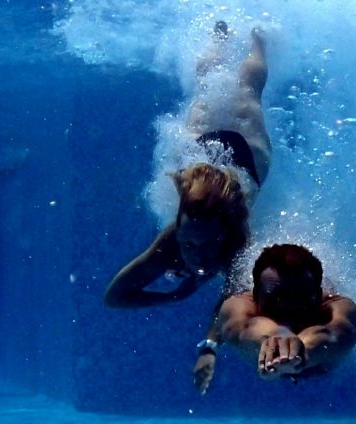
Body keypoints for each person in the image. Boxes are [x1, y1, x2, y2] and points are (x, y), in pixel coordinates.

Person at [104, 22, 270, 308]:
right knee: (226, 89)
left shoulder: (238, 245)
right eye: (189, 244)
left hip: (243, 154)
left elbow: (230, 306)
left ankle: (259, 41)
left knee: (240, 90)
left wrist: (209, 345)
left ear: (225, 234)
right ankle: (231, 38)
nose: (198, 257)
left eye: (207, 245)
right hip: (231, 154)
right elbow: (114, 297)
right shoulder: (171, 240)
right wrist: (173, 295)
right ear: (178, 234)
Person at [199, 244, 356, 391]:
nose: (288, 310)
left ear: (318, 297)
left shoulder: (337, 306)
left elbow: (333, 334)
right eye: (275, 300)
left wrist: (299, 350)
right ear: (255, 296)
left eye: (300, 300)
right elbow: (246, 326)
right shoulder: (238, 305)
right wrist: (209, 349)